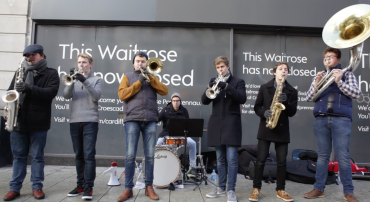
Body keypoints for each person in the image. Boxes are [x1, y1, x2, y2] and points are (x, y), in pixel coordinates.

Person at [3, 44, 60, 201]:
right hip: (19, 121)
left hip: (38, 122)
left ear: (42, 56)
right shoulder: (20, 72)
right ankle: (14, 188)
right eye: (27, 55)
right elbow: (10, 92)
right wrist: (9, 109)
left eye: (33, 55)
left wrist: (28, 88)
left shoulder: (51, 73)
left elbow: (51, 92)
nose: (29, 58)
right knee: (19, 157)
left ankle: (37, 187)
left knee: (37, 156)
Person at [304, 47, 360, 202]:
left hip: (341, 119)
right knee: (322, 156)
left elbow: (356, 93)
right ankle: (318, 188)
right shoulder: (320, 76)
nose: (327, 59)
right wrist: (316, 83)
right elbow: (309, 97)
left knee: (343, 156)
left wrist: (339, 82)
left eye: (331, 56)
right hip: (321, 119)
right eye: (325, 57)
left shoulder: (347, 74)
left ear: (338, 59)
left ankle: (348, 192)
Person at [117, 51, 168, 201]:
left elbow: (164, 91)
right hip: (132, 118)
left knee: (150, 156)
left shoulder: (153, 77)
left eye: (143, 61)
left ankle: (149, 187)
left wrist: (150, 78)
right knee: (130, 155)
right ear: (134, 63)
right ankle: (128, 189)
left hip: (151, 119)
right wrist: (139, 82)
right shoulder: (127, 76)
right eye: (138, 61)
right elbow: (122, 95)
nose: (140, 63)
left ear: (147, 63)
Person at [249, 62, 298, 202]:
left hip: (282, 130)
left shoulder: (292, 91)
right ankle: (256, 189)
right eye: (281, 69)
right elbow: (256, 107)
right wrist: (264, 112)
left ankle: (281, 190)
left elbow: (292, 112)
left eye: (286, 69)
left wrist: (286, 102)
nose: (283, 71)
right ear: (274, 72)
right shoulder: (264, 87)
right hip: (266, 127)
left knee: (282, 162)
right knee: (260, 160)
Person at [201, 56, 246, 202]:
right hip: (217, 124)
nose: (220, 69)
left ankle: (231, 190)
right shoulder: (213, 81)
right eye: (218, 67)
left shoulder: (238, 82)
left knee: (232, 159)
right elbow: (204, 100)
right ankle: (220, 188)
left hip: (232, 124)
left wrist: (227, 87)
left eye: (222, 66)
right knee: (220, 160)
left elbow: (242, 98)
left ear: (228, 66)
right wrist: (209, 87)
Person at [63, 54, 103, 200]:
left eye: (84, 62)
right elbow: (66, 96)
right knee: (78, 155)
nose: (81, 65)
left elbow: (96, 96)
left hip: (90, 121)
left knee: (89, 155)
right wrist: (72, 81)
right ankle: (80, 184)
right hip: (74, 120)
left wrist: (85, 81)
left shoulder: (96, 79)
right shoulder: (74, 79)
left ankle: (88, 188)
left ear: (90, 64)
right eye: (79, 62)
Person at [156, 92, 198, 176]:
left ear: (180, 101)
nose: (175, 102)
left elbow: (188, 124)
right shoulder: (165, 110)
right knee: (158, 144)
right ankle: (157, 167)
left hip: (181, 134)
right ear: (171, 101)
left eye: (177, 101)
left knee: (192, 143)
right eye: (174, 101)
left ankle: (192, 168)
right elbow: (157, 119)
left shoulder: (184, 110)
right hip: (167, 134)